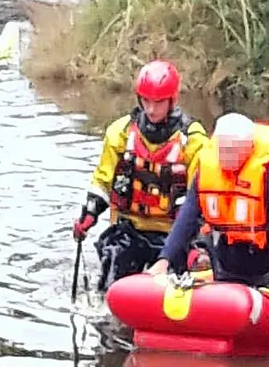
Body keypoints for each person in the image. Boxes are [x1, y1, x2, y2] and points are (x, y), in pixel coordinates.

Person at [71, 59, 210, 291]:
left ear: (172, 100)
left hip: (174, 234)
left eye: (158, 102)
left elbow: (201, 196)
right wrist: (89, 215)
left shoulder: (194, 140)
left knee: (189, 273)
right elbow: (103, 181)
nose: (151, 109)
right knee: (112, 269)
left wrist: (199, 240)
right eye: (146, 101)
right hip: (130, 229)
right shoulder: (121, 132)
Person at [146, 112, 269, 297]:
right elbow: (187, 216)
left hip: (264, 261)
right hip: (226, 258)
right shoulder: (208, 168)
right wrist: (164, 259)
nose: (225, 157)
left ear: (249, 147)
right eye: (222, 150)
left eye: (232, 151)